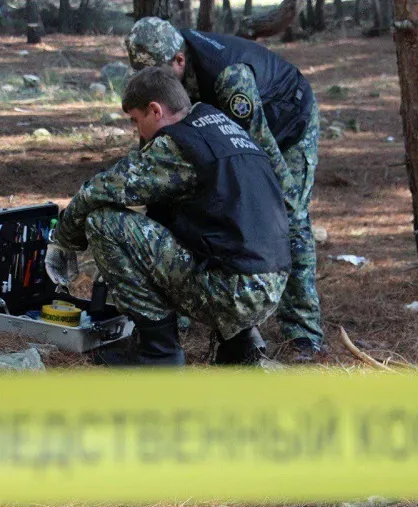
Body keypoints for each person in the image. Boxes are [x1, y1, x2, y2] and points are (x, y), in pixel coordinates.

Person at [45, 67, 291, 366]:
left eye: (136, 121)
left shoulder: (176, 144)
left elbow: (100, 190)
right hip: (271, 282)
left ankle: (157, 354)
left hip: (235, 290)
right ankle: (241, 343)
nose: (138, 132)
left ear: (155, 110)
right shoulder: (221, 126)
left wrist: (63, 240)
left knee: (104, 223)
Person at [126, 18, 323, 361]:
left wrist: (284, 204)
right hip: (235, 130)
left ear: (179, 61)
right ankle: (183, 309)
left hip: (285, 126)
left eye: (158, 76)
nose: (151, 86)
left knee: (287, 216)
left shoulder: (230, 79)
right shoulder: (162, 79)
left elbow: (264, 159)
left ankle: (304, 332)